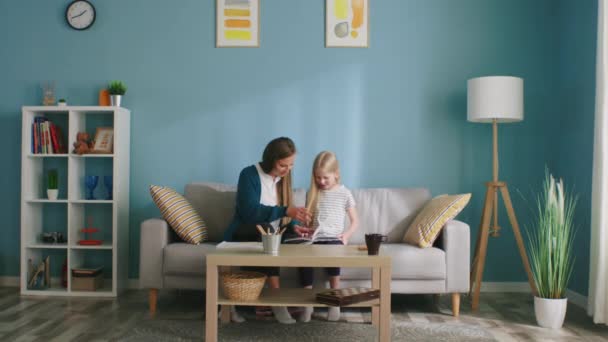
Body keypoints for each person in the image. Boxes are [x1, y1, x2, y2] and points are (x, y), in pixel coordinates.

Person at [223, 137, 311, 324]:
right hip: (246, 229)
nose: (287, 170)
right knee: (269, 236)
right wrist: (286, 210)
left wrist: (295, 225)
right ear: (271, 159)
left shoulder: (283, 178)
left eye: (291, 165)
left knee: (297, 239)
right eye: (283, 165)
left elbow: (281, 216)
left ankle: (307, 301)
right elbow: (250, 213)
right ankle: (277, 303)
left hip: (271, 230)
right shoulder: (249, 174)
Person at [296, 151, 359, 322]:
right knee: (304, 260)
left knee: (333, 258)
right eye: (318, 178)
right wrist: (307, 229)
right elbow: (311, 223)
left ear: (336, 174)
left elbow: (355, 221)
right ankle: (307, 306)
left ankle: (334, 302)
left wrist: (346, 235)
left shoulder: (344, 193)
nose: (321, 182)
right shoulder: (313, 193)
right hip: (315, 238)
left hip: (334, 238)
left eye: (326, 178)